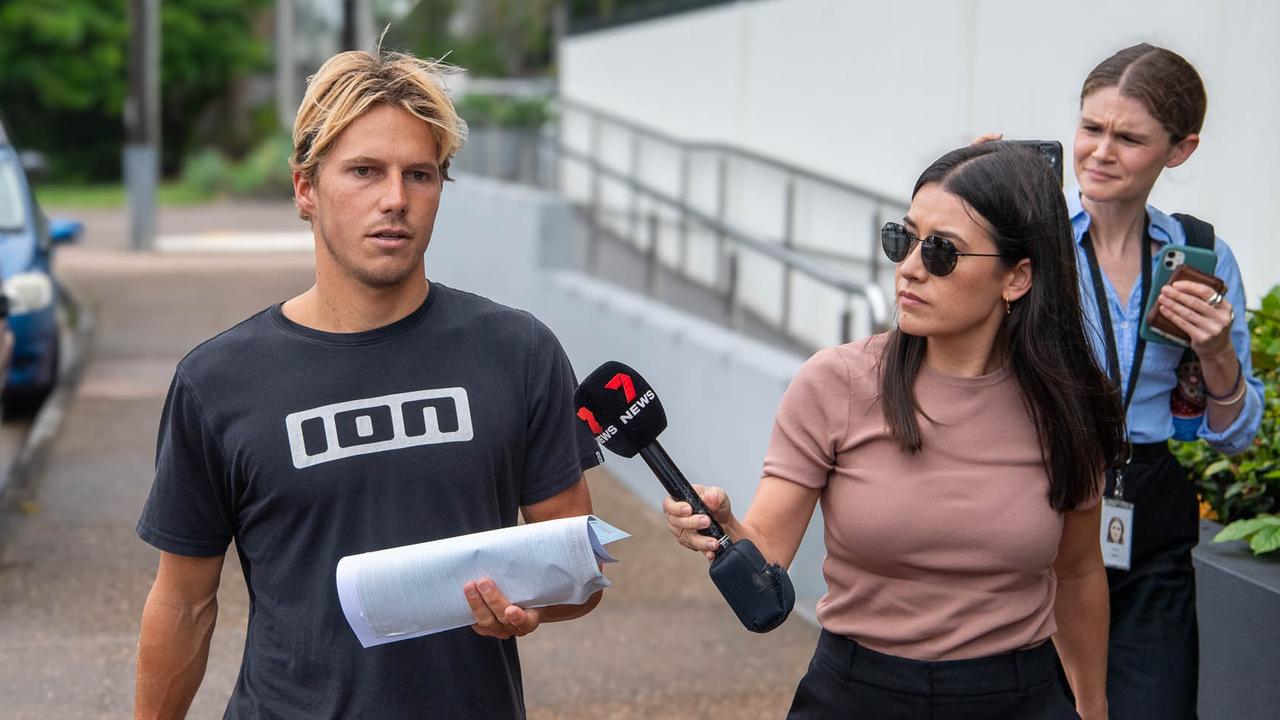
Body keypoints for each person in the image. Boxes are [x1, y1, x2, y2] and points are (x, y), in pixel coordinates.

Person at [133, 50, 604, 719]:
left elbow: (575, 572)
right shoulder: (217, 382)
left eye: (420, 174)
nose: (395, 199)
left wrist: (526, 608)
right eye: (364, 171)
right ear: (305, 188)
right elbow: (183, 601)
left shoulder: (517, 351)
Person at [665, 142, 1126, 719]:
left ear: (1017, 278)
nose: (908, 267)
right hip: (856, 692)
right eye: (902, 239)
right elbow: (768, 552)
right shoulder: (836, 383)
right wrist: (723, 527)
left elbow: (1079, 571)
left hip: (1018, 696)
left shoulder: (1066, 405)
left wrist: (1094, 706)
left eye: (941, 252)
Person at [1067, 44, 1262, 720]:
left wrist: (1215, 355)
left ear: (1179, 151)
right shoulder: (1030, 241)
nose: (1100, 152)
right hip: (1042, 500)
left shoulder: (1201, 257)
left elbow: (1240, 436)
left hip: (1151, 515)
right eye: (1091, 128)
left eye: (1129, 138)